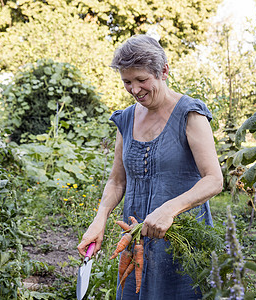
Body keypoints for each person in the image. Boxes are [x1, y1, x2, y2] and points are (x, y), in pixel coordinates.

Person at [77, 34, 223, 299]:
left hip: (183, 242)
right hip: (137, 246)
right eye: (127, 82)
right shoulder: (126, 118)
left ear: (164, 71)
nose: (135, 90)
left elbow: (214, 179)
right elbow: (117, 181)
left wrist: (170, 209)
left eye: (142, 80)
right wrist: (99, 220)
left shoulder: (190, 114)